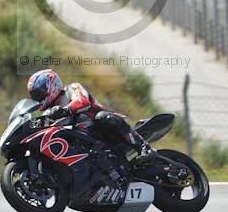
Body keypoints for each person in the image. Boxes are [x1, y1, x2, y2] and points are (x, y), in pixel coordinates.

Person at [27, 68, 156, 163]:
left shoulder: (72, 89)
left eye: (39, 94)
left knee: (103, 118)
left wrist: (65, 110)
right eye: (35, 96)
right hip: (86, 144)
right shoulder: (49, 113)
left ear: (51, 85)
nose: (38, 98)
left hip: (102, 129)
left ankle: (144, 147)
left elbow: (83, 101)